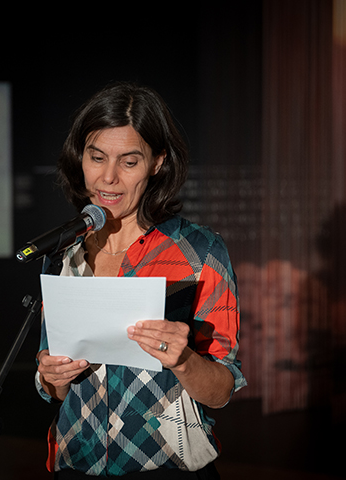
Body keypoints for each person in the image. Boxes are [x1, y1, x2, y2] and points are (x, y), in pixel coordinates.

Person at [35, 81, 246, 479]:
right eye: (97, 157)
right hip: (76, 463)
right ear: (80, 157)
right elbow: (54, 386)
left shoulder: (200, 252)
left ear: (157, 163)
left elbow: (221, 391)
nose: (108, 178)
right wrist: (52, 376)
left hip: (165, 467)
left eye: (128, 162)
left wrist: (183, 360)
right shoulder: (64, 252)